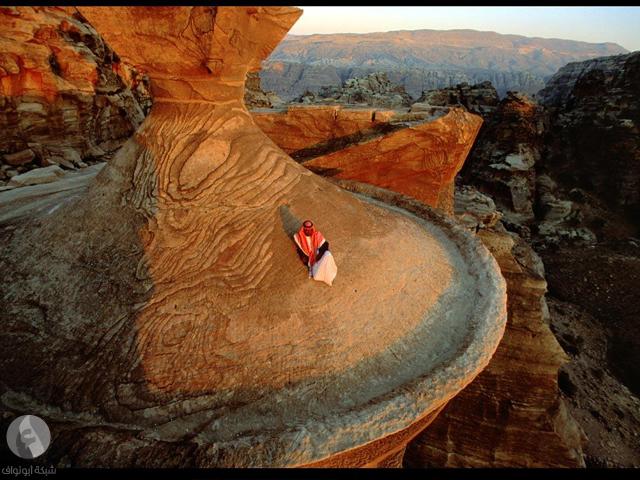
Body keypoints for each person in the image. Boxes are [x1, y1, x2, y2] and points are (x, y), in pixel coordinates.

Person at [293, 220, 337, 285]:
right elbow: (300, 250)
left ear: (312, 229)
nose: (308, 231)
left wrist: (319, 256)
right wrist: (305, 258)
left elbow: (325, 244)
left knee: (328, 254)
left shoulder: (317, 235)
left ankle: (330, 276)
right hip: (310, 261)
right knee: (316, 276)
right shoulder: (299, 237)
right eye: (306, 230)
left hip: (318, 256)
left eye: (310, 230)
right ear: (303, 230)